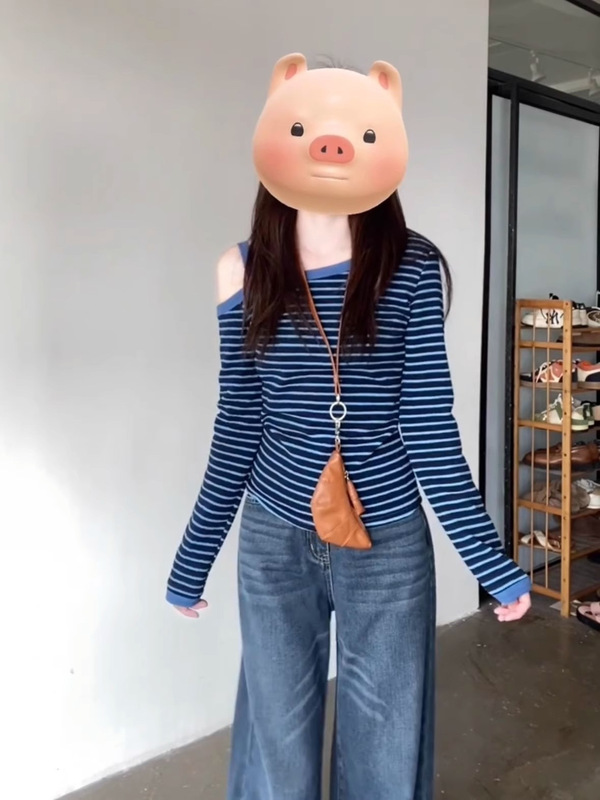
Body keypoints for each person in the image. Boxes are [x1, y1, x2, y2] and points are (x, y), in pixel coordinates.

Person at [166, 54, 531, 800]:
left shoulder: (412, 267)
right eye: (308, 128)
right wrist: (192, 557)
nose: (331, 148)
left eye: (357, 133)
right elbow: (239, 423)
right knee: (278, 746)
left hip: (388, 540)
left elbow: (428, 426)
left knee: (386, 750)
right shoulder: (241, 270)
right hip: (274, 539)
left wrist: (489, 564)